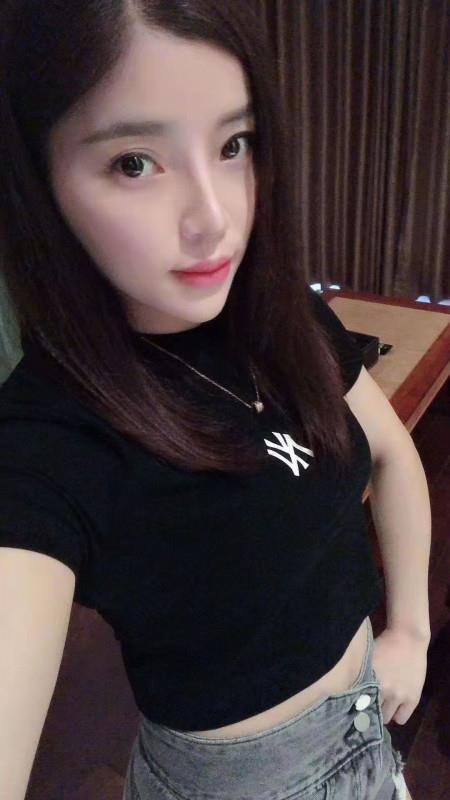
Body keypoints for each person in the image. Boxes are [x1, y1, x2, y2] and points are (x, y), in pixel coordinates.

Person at [0, 2, 430, 799]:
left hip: (371, 734)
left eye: (233, 145)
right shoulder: (48, 443)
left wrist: (411, 628)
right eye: (135, 161)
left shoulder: (281, 315)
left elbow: (393, 454)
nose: (214, 219)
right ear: (38, 180)